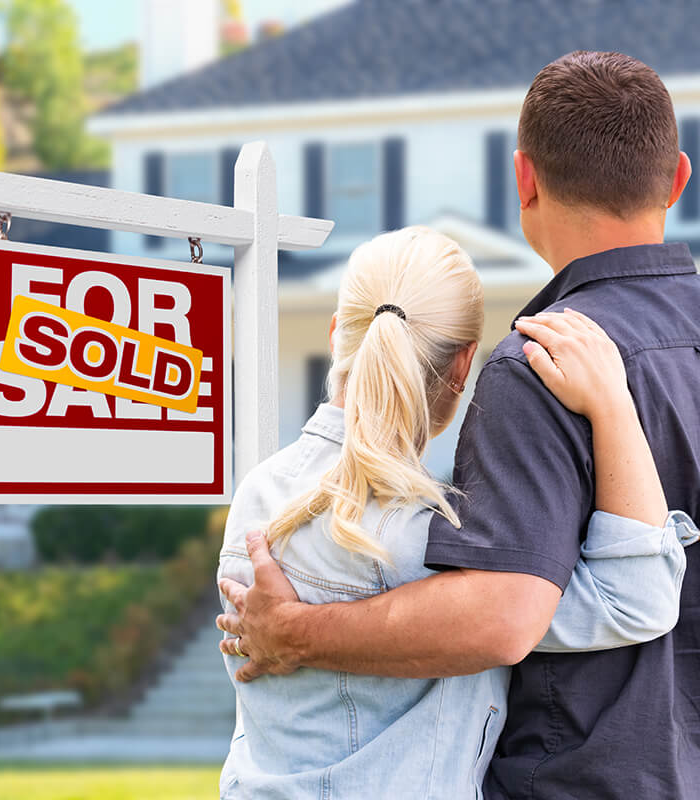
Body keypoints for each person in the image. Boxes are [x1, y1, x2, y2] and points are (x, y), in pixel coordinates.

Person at [217, 51, 700, 798]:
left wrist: (296, 633)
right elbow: (624, 598)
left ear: (524, 180)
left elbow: (501, 617)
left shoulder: (259, 497)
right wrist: (610, 409)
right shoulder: (428, 538)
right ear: (677, 178)